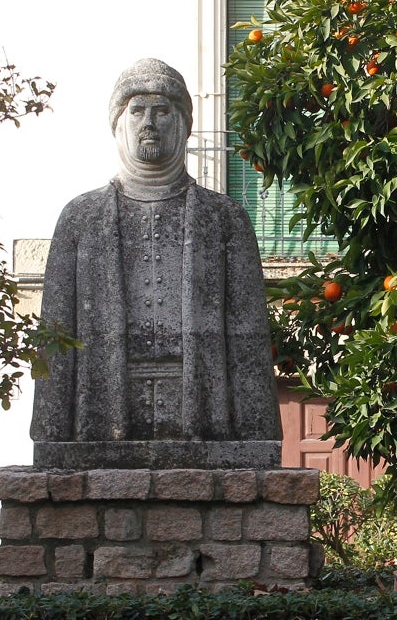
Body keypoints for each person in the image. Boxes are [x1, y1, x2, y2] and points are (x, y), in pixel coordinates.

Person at [30, 58, 281, 465]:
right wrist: (50, 430)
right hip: (102, 407)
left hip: (201, 406)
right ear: (118, 123)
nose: (149, 122)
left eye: (162, 111)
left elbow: (248, 335)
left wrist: (259, 432)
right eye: (137, 110)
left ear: (182, 122)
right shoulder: (80, 217)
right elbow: (56, 330)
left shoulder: (225, 219)